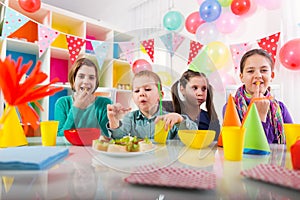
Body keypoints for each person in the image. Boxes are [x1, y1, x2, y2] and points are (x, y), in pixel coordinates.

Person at [223, 48, 293, 144]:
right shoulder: (231, 107)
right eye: (250, 71)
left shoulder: (280, 108)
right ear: (241, 77)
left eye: (263, 70)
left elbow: (291, 143)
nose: (258, 75)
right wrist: (260, 117)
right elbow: (243, 146)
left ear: (272, 76)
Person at [107, 70, 198, 139]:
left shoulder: (170, 118)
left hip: (164, 161)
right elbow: (117, 137)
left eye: (147, 89)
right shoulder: (130, 118)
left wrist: (180, 120)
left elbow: (194, 134)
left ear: (160, 95)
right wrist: (113, 121)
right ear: (133, 97)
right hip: (138, 162)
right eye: (137, 91)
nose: (141, 93)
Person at [55, 58, 111, 137]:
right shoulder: (62, 103)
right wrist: (76, 108)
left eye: (91, 77)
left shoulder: (105, 103)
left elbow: (105, 138)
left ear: (96, 82)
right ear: (73, 80)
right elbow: (60, 137)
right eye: (81, 76)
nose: (86, 81)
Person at [171, 70, 220, 140]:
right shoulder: (173, 117)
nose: (200, 93)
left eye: (204, 89)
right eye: (194, 88)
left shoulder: (211, 119)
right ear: (182, 89)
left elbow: (215, 146)